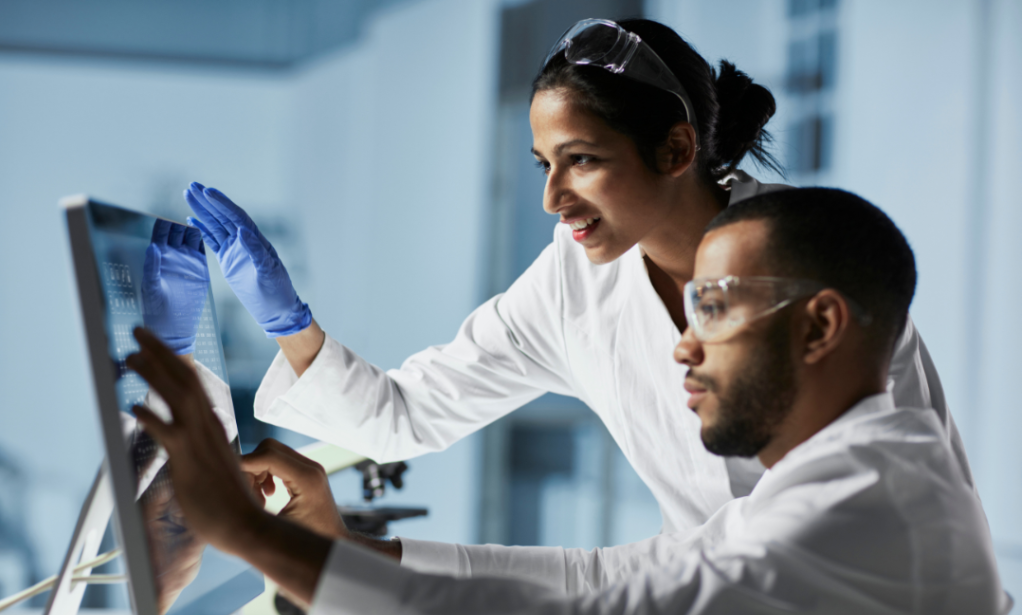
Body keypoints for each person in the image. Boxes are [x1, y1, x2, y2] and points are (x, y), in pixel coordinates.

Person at [126, 187, 1012, 615]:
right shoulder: (837, 470)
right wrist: (339, 550)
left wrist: (250, 536)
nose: (683, 344)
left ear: (819, 328)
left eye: (714, 308)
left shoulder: (867, 504)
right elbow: (612, 580)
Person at [183, 18, 972, 549]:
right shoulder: (573, 284)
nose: (553, 199)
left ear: (674, 149)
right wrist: (287, 322)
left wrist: (364, 570)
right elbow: (403, 415)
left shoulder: (811, 261)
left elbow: (849, 532)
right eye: (544, 165)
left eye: (582, 161)